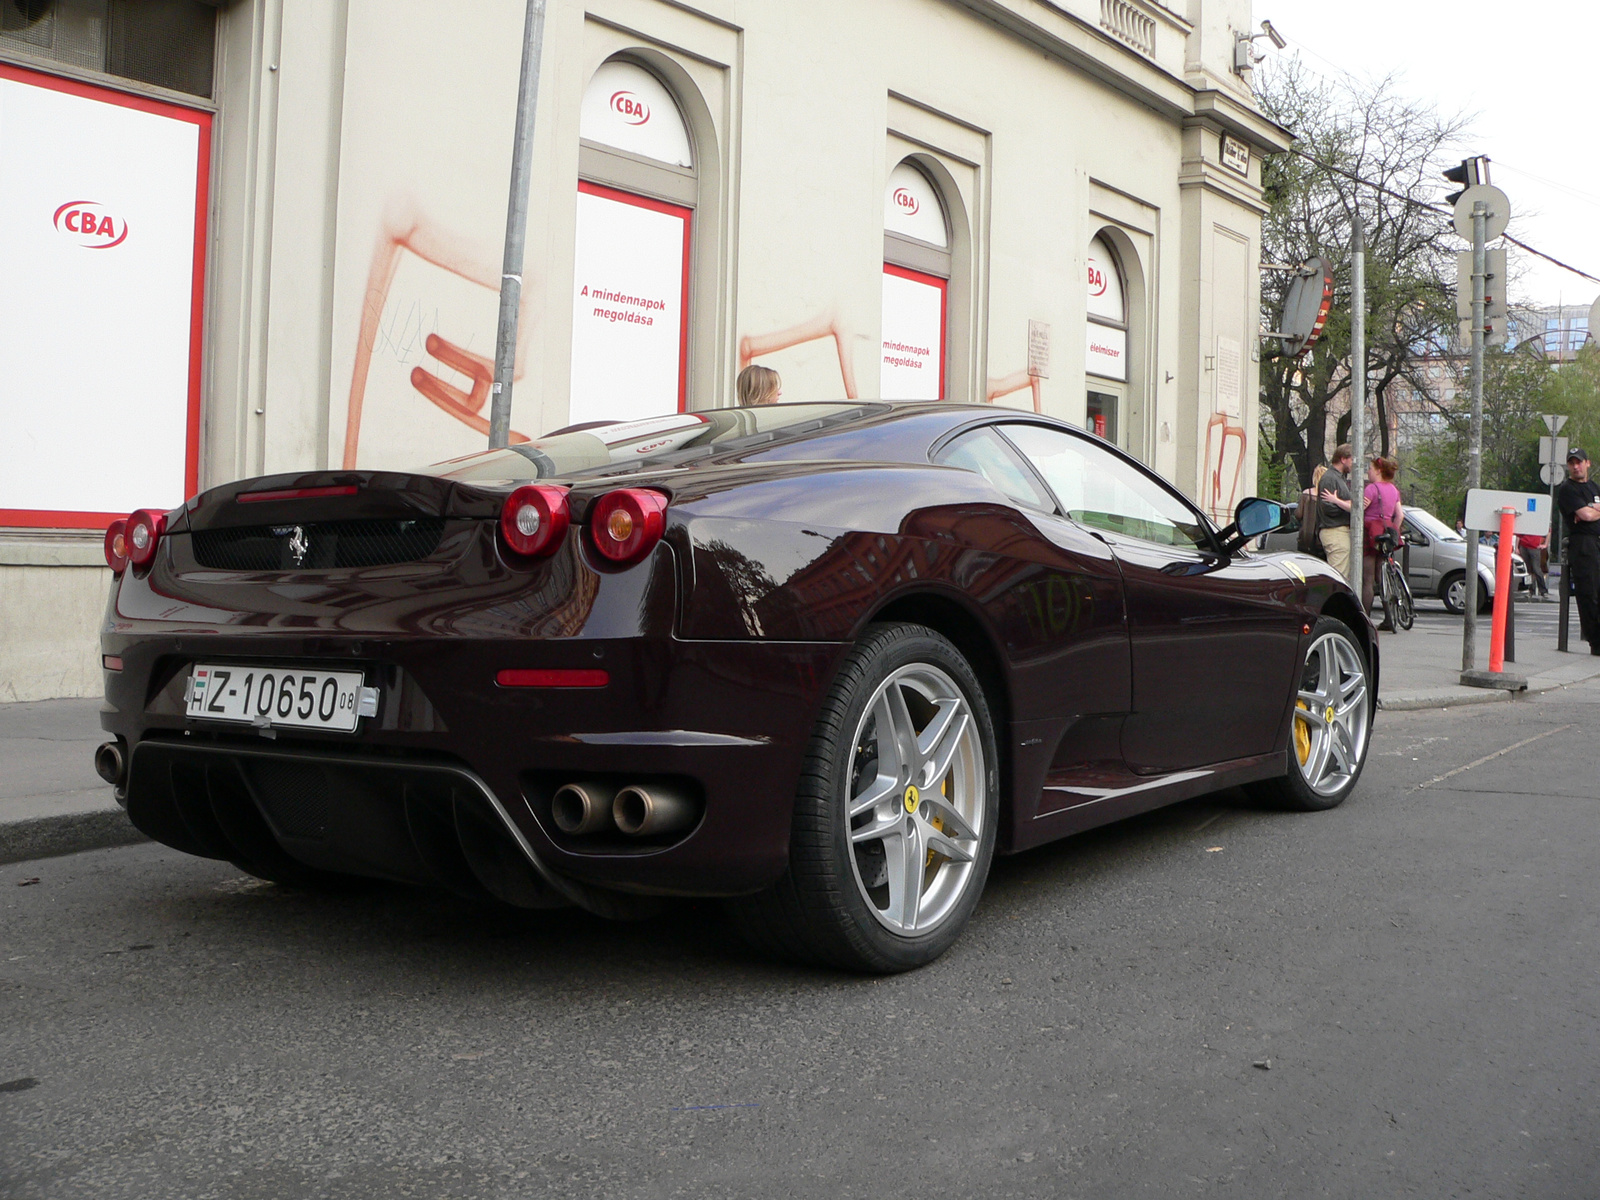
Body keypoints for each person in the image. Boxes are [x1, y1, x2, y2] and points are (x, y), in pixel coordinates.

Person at [1555, 447, 1600, 654]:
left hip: (1597, 541)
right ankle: (1596, 641)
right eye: (1572, 463)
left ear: (1587, 463)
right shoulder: (1567, 489)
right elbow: (1586, 516)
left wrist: (1591, 511)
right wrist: (1589, 512)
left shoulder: (1594, 488)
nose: (1576, 466)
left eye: (1579, 462)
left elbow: (1589, 514)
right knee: (1588, 592)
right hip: (1583, 544)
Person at [1361, 455, 1403, 630]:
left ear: (1378, 471)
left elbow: (1359, 509)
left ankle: (1364, 621)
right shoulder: (1394, 490)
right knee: (1382, 577)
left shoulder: (1371, 489)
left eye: (1370, 469)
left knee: (1368, 581)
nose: (1368, 472)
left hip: (1370, 535)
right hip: (1386, 534)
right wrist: (1393, 530)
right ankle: (1389, 619)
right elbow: (1400, 515)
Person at [1315, 444, 1355, 578]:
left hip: (1338, 531)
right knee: (1339, 576)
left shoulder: (1338, 478)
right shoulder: (1330, 478)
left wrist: (1342, 502)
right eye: (1352, 459)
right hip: (1335, 531)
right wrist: (1347, 505)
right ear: (1343, 459)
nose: (1354, 464)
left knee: (1342, 574)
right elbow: (1328, 508)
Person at [1516, 530, 1549, 600]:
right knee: (1528, 571)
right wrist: (1517, 547)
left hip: (1534, 546)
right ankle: (1531, 590)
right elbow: (1519, 534)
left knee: (1536, 569)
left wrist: (1546, 544)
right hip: (1524, 545)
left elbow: (1548, 531)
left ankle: (1542, 591)